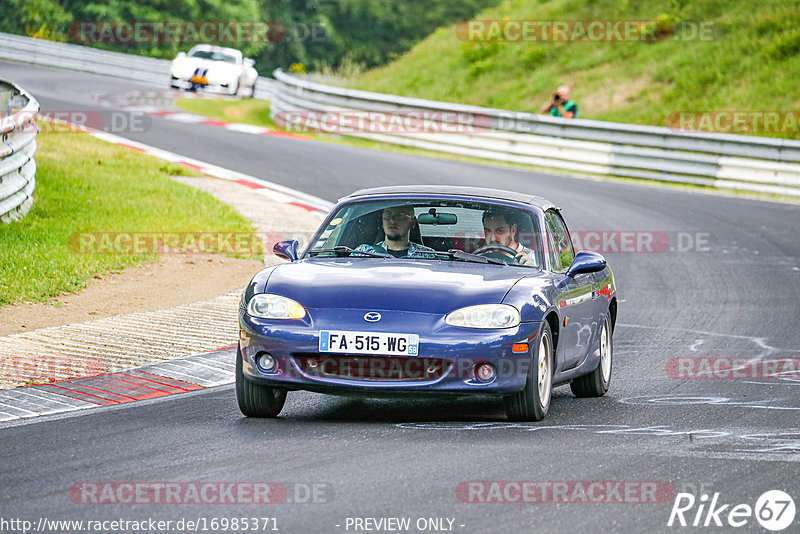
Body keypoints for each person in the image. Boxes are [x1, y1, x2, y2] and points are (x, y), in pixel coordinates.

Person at [355, 205, 436, 258]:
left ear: (412, 222)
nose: (392, 221)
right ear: (382, 221)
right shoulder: (363, 252)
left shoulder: (427, 255)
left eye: (399, 216)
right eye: (387, 215)